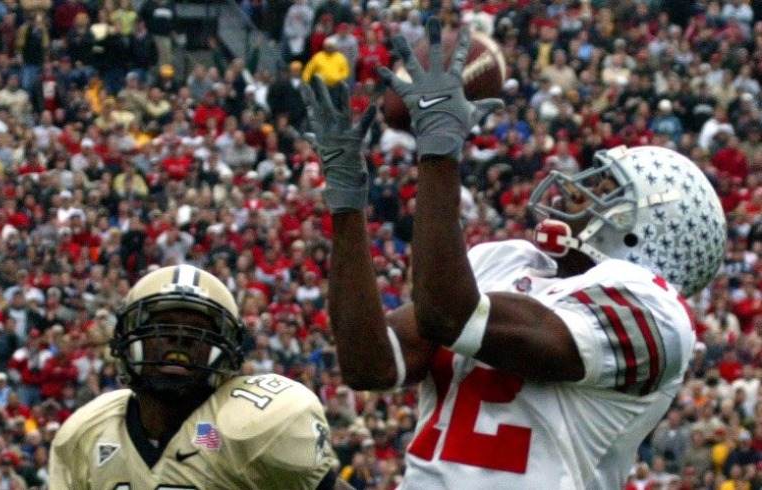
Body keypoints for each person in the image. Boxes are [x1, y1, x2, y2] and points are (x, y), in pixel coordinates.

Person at [302, 18, 727, 489]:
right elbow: (369, 364)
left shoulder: (656, 314)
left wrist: (440, 146)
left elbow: (451, 317)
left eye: (603, 190)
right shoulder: (506, 259)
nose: (576, 192)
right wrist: (347, 201)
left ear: (643, 230)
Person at [48, 264, 350, 489]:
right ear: (128, 340)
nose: (180, 341)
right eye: (163, 326)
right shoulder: (86, 432)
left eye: (200, 332)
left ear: (227, 351)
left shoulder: (254, 422)